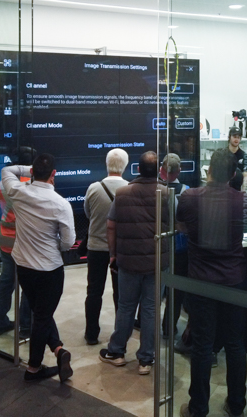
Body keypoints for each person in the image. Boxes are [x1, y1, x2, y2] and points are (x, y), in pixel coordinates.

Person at [177, 149, 247, 417]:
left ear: (208, 171)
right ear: (232, 174)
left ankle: (198, 408)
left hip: (201, 280)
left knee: (202, 346)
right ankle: (237, 404)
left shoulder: (189, 197)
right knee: (235, 344)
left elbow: (181, 226)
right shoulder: (242, 199)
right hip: (234, 279)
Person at [2, 153, 75, 382]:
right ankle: (33, 368)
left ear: (32, 172)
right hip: (50, 269)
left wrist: (31, 169)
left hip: (24, 266)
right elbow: (68, 242)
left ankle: (58, 349)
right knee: (42, 316)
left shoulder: (18, 192)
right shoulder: (61, 204)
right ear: (54, 174)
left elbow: (7, 171)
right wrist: (55, 244)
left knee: (40, 312)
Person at [99, 151, 169, 375]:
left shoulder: (122, 193)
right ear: (159, 170)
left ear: (137, 169)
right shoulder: (167, 194)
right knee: (150, 309)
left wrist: (113, 254)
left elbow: (111, 225)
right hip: (156, 263)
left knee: (126, 307)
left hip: (128, 261)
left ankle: (117, 352)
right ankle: (146, 360)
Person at [83, 148, 129, 345]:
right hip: (120, 250)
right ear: (125, 166)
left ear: (107, 164)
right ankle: (120, 335)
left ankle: (91, 333)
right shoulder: (129, 189)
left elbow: (88, 213)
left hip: (95, 247)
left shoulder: (93, 188)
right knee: (121, 295)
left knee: (94, 292)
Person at [0, 146, 34, 338]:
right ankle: (25, 327)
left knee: (6, 282)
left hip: (6, 239)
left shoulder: (5, 182)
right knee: (29, 284)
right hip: (25, 241)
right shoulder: (31, 183)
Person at [161, 153, 189, 338]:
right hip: (179, 248)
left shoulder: (154, 189)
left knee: (153, 289)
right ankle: (169, 328)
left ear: (162, 169)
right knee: (176, 290)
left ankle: (148, 327)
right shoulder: (186, 191)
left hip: (157, 245)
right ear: (179, 170)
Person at [227, 127, 247, 191]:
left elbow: (246, 176)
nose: (236, 139)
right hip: (224, 191)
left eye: (238, 137)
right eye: (234, 137)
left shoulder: (244, 156)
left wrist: (243, 191)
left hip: (238, 190)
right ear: (229, 137)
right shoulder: (223, 154)